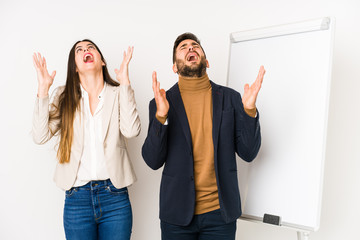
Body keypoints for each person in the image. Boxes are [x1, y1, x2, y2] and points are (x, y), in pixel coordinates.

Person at [142, 32, 265, 240]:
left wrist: (249, 111)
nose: (190, 48)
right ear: (175, 67)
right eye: (183, 47)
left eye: (195, 45)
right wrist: (161, 116)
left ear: (206, 61)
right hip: (177, 216)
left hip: (220, 214)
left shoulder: (230, 98)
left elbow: (248, 152)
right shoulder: (161, 103)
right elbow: (153, 160)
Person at [32, 39, 140, 240]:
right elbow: (40, 136)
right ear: (74, 67)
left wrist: (125, 82)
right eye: (79, 50)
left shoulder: (118, 93)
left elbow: (132, 130)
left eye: (91, 47)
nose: (86, 51)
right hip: (77, 199)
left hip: (115, 197)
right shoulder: (63, 96)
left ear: (102, 61)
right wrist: (43, 90)